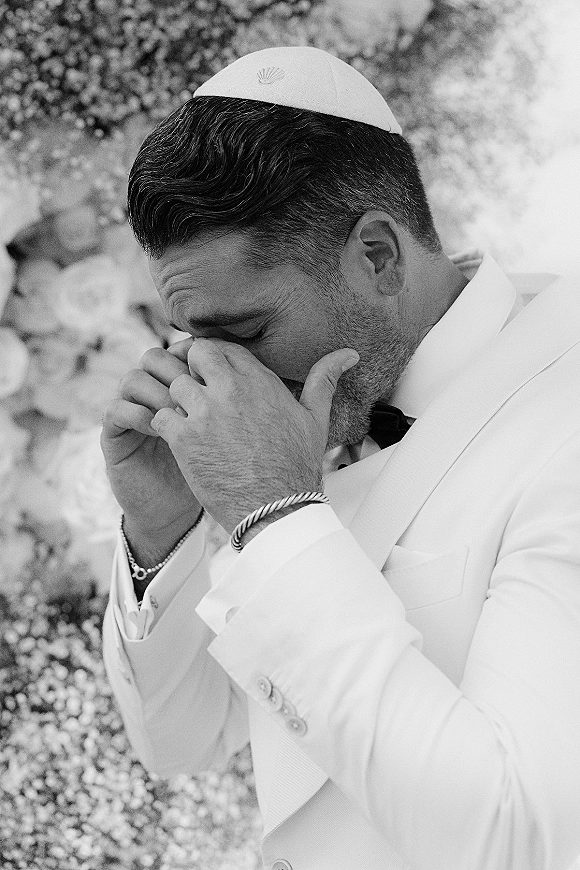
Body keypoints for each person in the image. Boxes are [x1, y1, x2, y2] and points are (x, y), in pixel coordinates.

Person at [100, 46, 580, 870]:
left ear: (379, 256)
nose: (222, 377)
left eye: (246, 334)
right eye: (192, 340)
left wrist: (275, 516)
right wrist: (162, 528)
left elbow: (523, 838)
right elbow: (185, 740)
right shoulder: (298, 419)